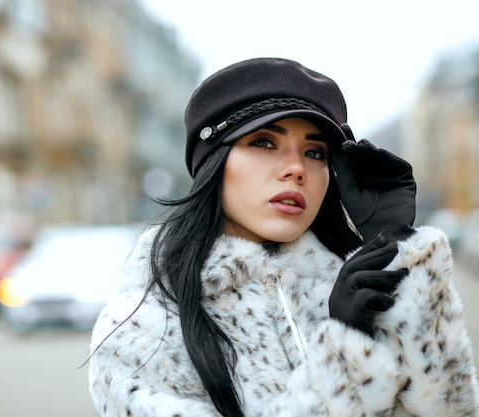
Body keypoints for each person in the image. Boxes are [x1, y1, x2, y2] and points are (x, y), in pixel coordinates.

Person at [87, 57, 479, 417]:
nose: (295, 168)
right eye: (263, 143)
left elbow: (450, 410)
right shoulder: (141, 329)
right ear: (213, 163)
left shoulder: (352, 289)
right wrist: (343, 352)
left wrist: (398, 254)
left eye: (315, 153)